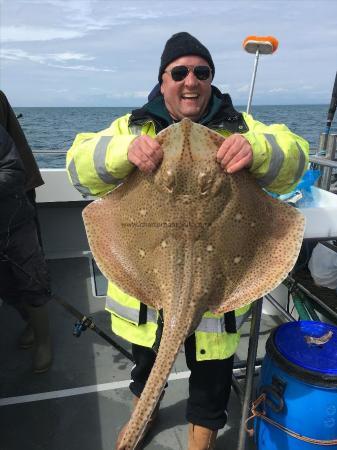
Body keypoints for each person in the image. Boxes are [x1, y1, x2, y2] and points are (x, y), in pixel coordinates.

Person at [66, 32, 309, 449]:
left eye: (201, 72)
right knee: (147, 364)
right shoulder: (133, 125)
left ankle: (203, 431)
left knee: (212, 377)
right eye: (179, 72)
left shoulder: (241, 126)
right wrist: (125, 151)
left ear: (211, 80)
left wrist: (258, 150)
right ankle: (143, 410)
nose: (190, 80)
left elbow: (296, 155)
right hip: (148, 291)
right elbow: (77, 164)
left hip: (220, 292)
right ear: (163, 81)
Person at [0, 91, 52, 374]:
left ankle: (44, 339)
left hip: (14, 219)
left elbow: (13, 168)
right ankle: (30, 323)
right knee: (6, 287)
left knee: (32, 278)